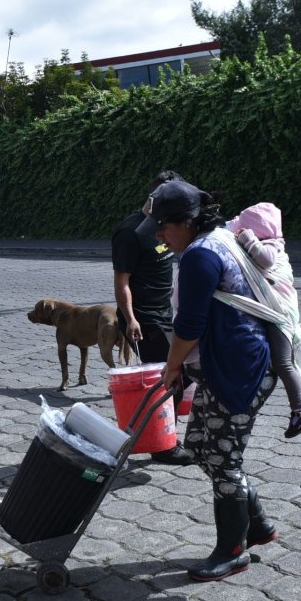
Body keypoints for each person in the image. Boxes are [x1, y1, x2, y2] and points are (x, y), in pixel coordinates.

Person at [143, 179, 279, 582]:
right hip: (229, 365)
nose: (160, 236)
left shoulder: (200, 256)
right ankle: (257, 525)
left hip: (237, 372)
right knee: (201, 445)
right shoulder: (220, 237)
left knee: (222, 458)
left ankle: (233, 550)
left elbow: (188, 325)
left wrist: (171, 367)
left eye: (165, 227)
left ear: (187, 221)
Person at [112, 170, 195, 466]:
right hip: (144, 319)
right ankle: (163, 447)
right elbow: (122, 282)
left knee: (176, 376)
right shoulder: (130, 233)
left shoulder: (163, 228)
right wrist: (130, 318)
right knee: (166, 379)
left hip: (167, 313)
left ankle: (163, 436)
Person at [228, 202, 301, 438]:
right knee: (281, 360)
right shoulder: (272, 241)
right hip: (280, 310)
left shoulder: (270, 246)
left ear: (258, 231)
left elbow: (266, 261)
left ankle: (300, 410)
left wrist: (249, 239)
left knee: (283, 363)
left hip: (280, 313)